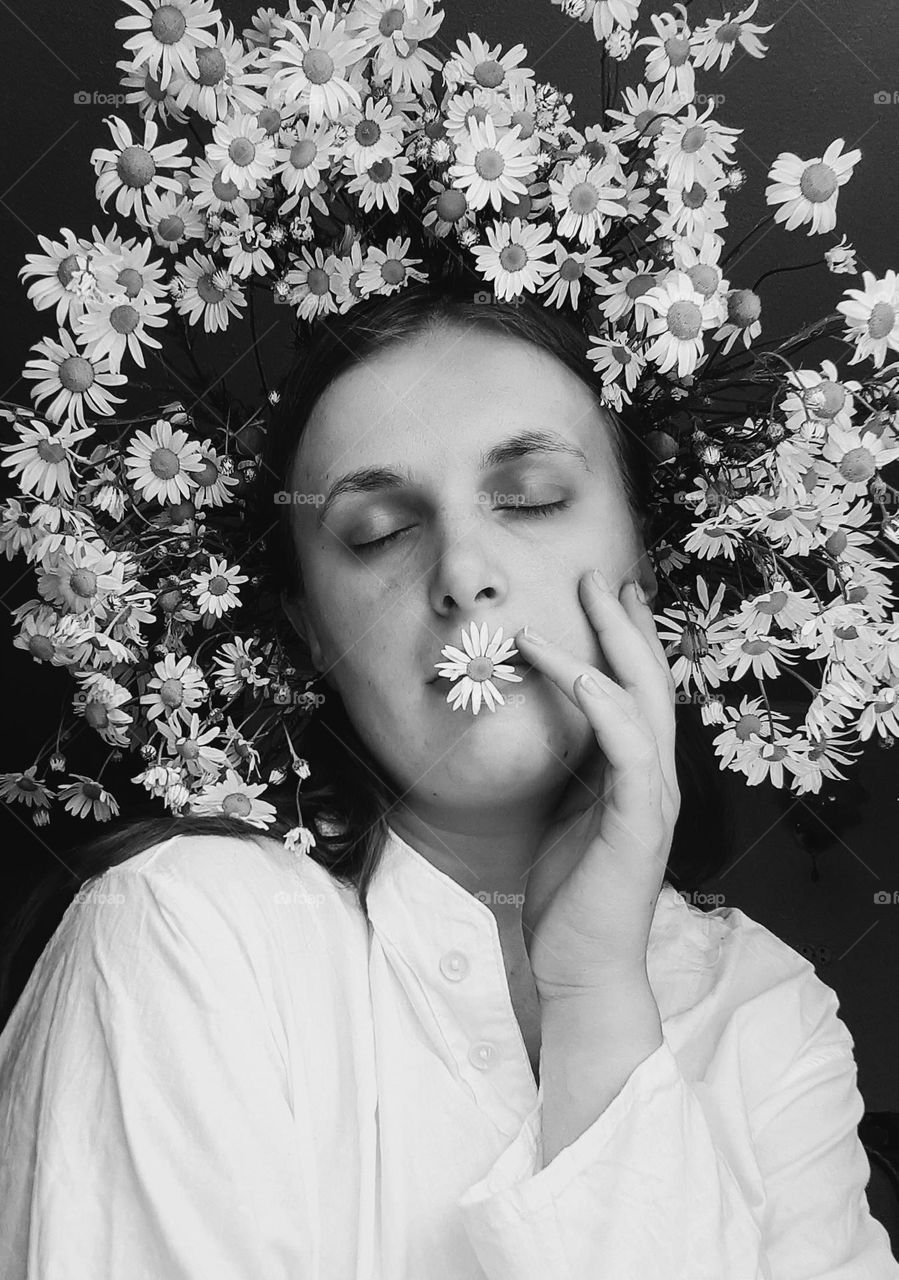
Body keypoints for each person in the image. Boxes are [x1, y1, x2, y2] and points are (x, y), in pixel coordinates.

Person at [0, 286, 896, 1279]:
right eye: (378, 530)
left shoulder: (763, 1011)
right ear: (306, 629)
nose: (462, 570)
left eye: (530, 497)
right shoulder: (185, 929)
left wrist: (597, 998)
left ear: (643, 541)